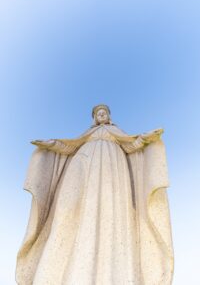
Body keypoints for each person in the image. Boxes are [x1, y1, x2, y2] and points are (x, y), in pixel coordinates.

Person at [16, 104, 174, 285]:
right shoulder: (88, 135)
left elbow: (131, 145)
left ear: (108, 116)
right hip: (83, 167)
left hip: (111, 170)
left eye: (104, 112)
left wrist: (146, 138)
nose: (101, 115)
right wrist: (50, 144)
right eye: (98, 113)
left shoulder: (114, 131)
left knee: (109, 209)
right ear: (94, 117)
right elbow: (68, 147)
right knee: (70, 209)